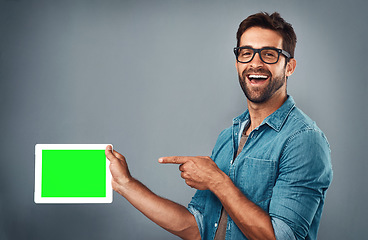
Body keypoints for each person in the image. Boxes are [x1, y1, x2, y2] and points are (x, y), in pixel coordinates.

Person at [105, 12, 333, 240]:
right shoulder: (228, 137)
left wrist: (216, 181)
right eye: (246, 53)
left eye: (269, 54)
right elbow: (195, 228)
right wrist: (125, 184)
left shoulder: (303, 140)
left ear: (289, 67)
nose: (255, 63)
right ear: (237, 63)